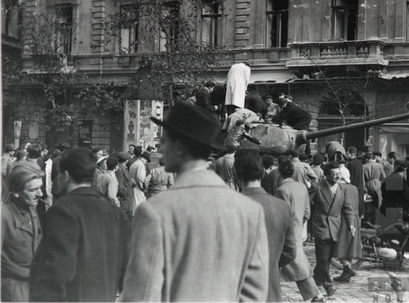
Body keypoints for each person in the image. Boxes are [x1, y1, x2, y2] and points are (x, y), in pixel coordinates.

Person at [121, 102, 269, 301]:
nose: (160, 148)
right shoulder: (250, 210)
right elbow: (255, 292)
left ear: (179, 147)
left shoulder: (155, 211)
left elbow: (142, 294)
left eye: (163, 142)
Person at [30, 148, 129, 302]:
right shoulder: (116, 213)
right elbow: (126, 272)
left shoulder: (62, 210)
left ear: (66, 176)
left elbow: (56, 272)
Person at [235, 149, 296, 302]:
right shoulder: (283, 207)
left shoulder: (227, 206)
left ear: (237, 176)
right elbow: (290, 252)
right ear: (262, 173)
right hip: (270, 289)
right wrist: (270, 263)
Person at [275, 159, 325, 302]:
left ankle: (315, 296)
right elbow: (307, 213)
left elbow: (281, 215)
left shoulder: (281, 190)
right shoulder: (302, 187)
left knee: (291, 264)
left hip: (285, 233)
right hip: (298, 230)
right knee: (297, 263)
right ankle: (315, 295)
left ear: (279, 173)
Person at [310, 161, 355, 296]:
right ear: (327, 175)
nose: (337, 176)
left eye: (339, 174)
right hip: (321, 225)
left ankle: (316, 279)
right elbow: (307, 204)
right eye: (334, 174)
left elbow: (347, 208)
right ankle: (328, 284)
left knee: (327, 257)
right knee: (322, 257)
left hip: (335, 226)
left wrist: (351, 224)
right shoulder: (317, 187)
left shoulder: (342, 189)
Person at [2, 163, 43, 302]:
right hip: (14, 287)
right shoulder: (3, 215)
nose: (40, 194)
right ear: (15, 192)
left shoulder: (31, 209)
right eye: (33, 190)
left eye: (40, 188)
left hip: (34, 283)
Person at [332, 179, 362, 283]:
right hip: (354, 217)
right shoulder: (354, 187)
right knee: (348, 248)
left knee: (339, 246)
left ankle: (347, 268)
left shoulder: (340, 187)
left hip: (344, 218)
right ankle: (346, 274)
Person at [379, 160, 409, 226]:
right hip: (395, 212)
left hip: (384, 210)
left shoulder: (388, 178)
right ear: (404, 170)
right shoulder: (399, 180)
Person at [363, 152, 386, 224]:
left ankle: (369, 220)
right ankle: (378, 221)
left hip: (367, 184)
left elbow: (362, 179)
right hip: (377, 184)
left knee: (368, 204)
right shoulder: (379, 165)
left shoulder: (363, 166)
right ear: (373, 158)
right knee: (379, 203)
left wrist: (365, 189)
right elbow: (383, 177)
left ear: (366, 159)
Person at [113, 152, 135, 219]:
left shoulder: (123, 168)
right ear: (127, 160)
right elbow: (120, 185)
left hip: (127, 200)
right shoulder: (119, 169)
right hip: (124, 200)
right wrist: (126, 192)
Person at [346, 147, 365, 217]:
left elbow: (350, 176)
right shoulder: (359, 163)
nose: (346, 154)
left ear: (352, 154)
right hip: (360, 185)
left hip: (354, 185)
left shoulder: (351, 164)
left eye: (348, 153)